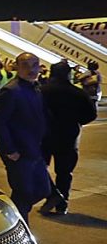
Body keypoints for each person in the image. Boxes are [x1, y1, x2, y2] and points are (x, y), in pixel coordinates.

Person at [0, 52, 52, 222]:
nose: (31, 69)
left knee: (43, 190)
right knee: (23, 193)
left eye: (34, 65)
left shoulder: (36, 88)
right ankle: (20, 234)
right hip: (19, 153)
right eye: (25, 65)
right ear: (17, 67)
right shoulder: (10, 91)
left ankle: (10, 215)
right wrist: (9, 149)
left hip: (35, 150)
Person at [39, 61, 98, 215]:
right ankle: (62, 202)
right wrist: (76, 121)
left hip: (44, 135)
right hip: (68, 136)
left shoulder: (42, 91)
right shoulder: (77, 93)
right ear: (68, 74)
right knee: (64, 173)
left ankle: (52, 195)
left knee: (38, 167)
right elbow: (91, 115)